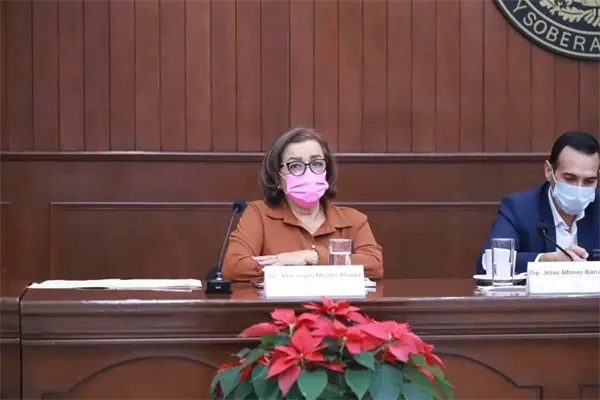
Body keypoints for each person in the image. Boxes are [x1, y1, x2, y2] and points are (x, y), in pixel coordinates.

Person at [221, 127, 383, 281]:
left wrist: (311, 257)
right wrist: (289, 265)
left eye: (317, 163)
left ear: (326, 171)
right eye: (295, 166)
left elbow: (374, 266)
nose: (308, 173)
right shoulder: (258, 214)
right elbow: (234, 266)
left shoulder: (353, 220)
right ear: (277, 177)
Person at [477, 131, 600, 275]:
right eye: (569, 178)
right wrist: (544, 261)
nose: (579, 188)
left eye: (589, 181)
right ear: (549, 171)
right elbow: (489, 263)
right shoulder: (518, 208)